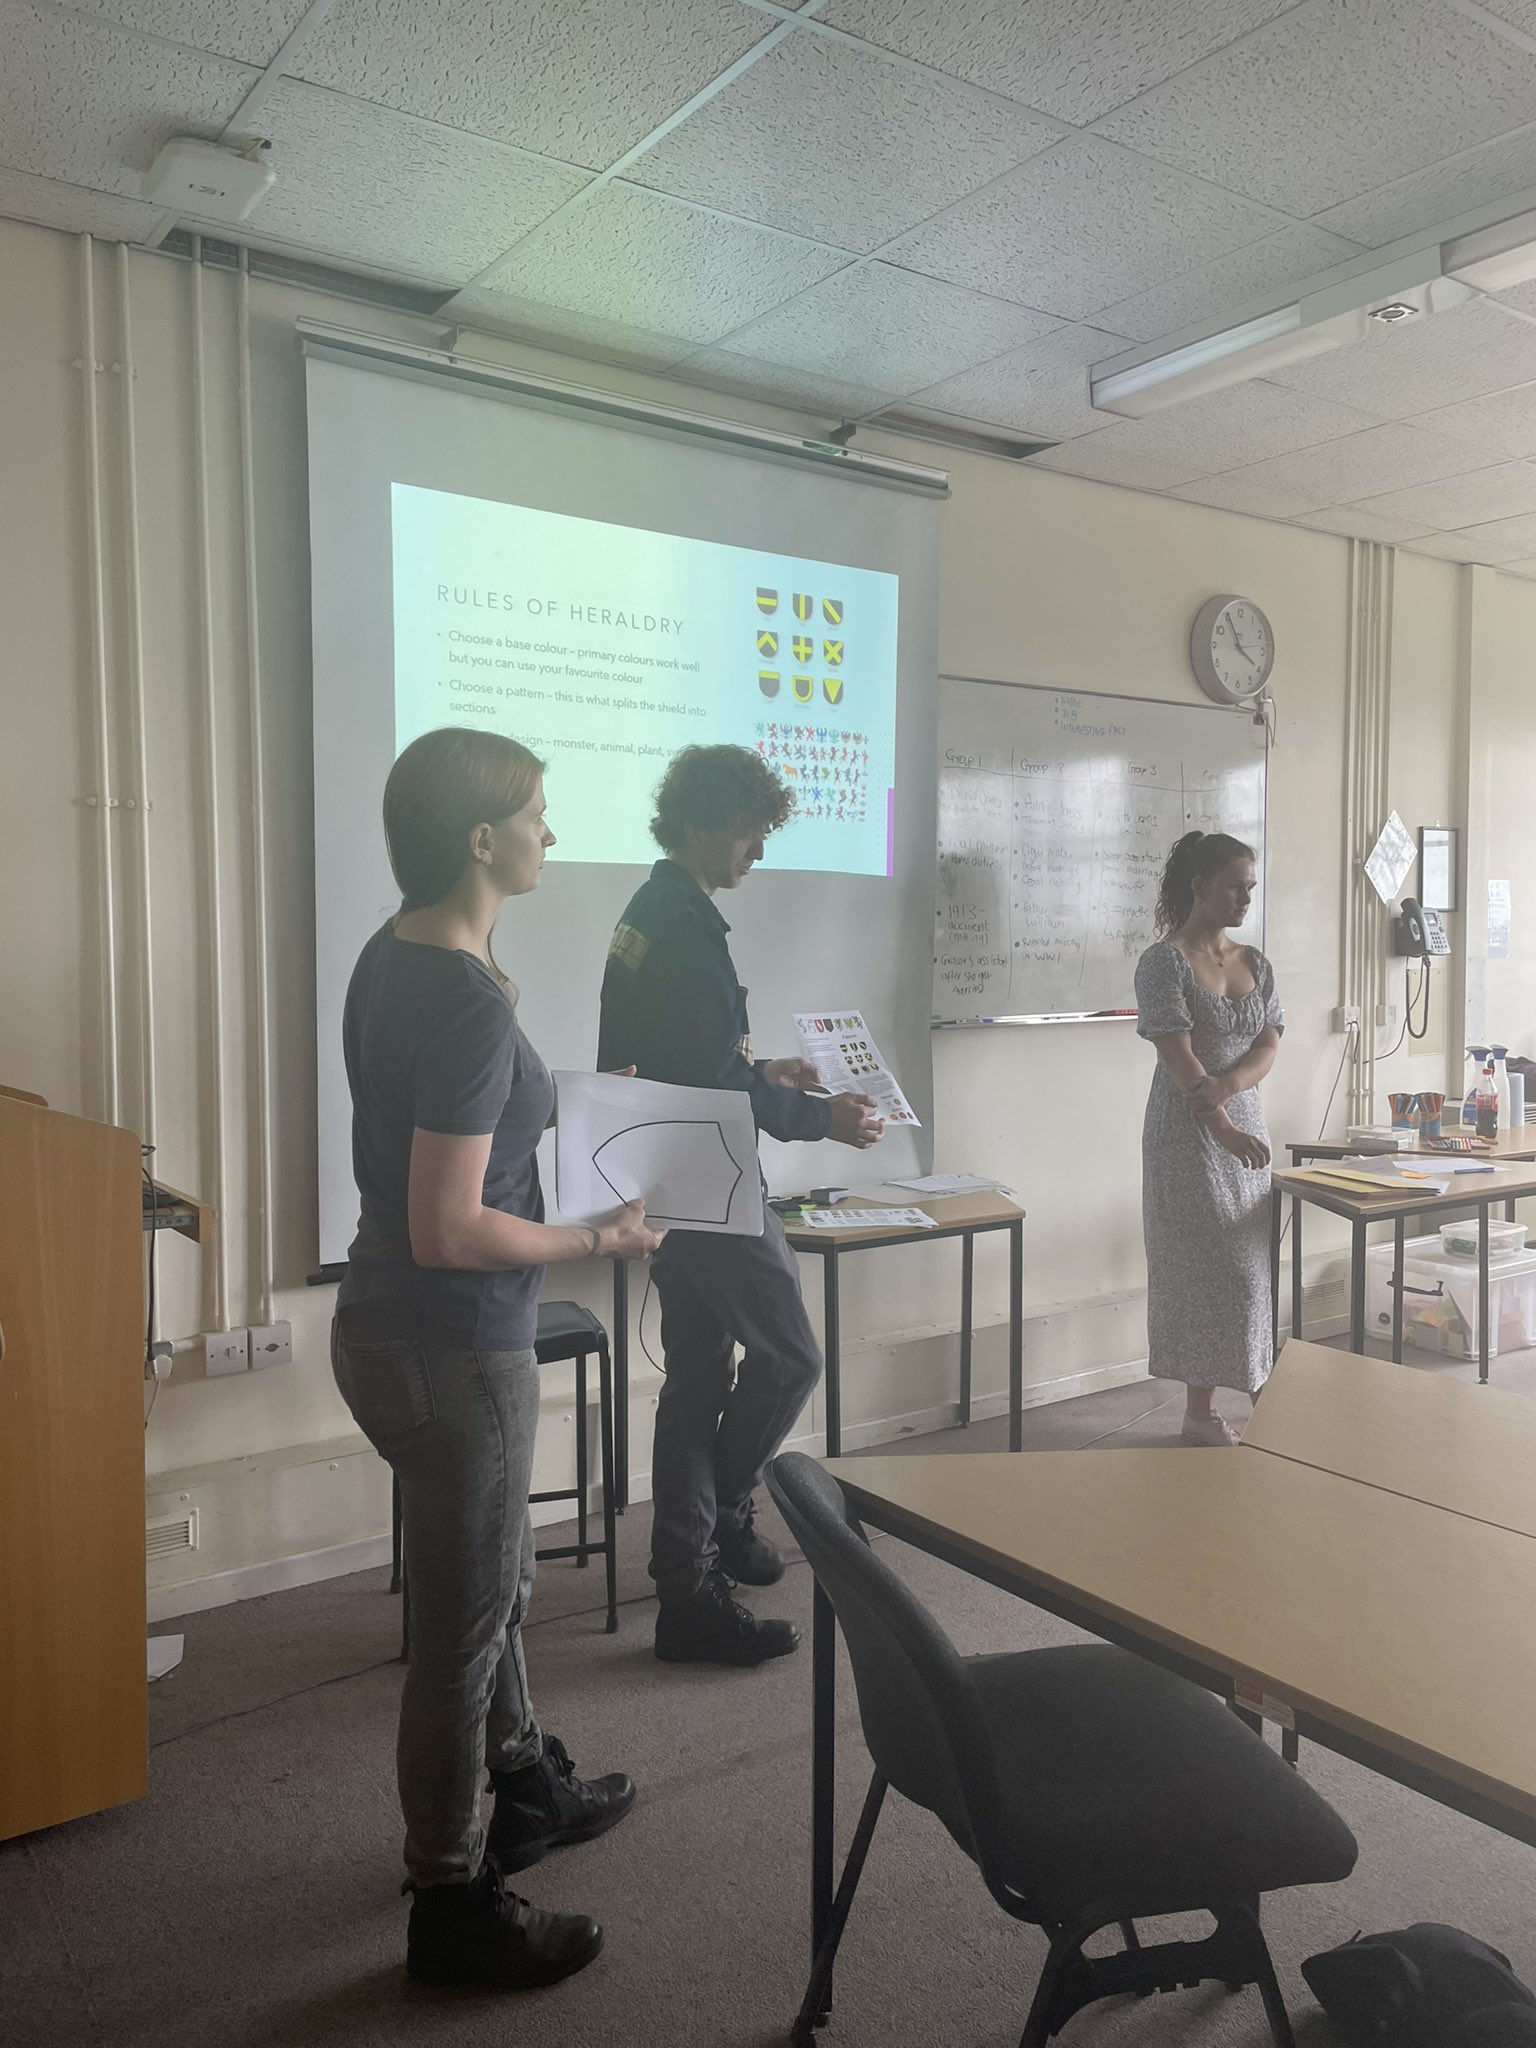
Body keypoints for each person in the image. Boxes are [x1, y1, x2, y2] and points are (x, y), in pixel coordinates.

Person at [332, 727, 664, 1990]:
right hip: (454, 1345)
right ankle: (450, 1899)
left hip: (391, 1334)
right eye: (536, 811)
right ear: (482, 838)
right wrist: (601, 1234)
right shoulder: (465, 997)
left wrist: (569, 1101)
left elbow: (463, 1131)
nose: (550, 832)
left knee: (494, 1583)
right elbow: (450, 1223)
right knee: (465, 1630)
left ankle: (522, 1784)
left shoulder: (404, 950)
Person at [597, 743, 884, 1665]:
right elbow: (705, 1087)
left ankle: (687, 1582)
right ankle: (717, 1522)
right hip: (707, 1177)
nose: (757, 849)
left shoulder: (659, 910)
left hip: (673, 1168)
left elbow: (697, 1062)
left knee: (693, 1379)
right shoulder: (679, 924)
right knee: (792, 1356)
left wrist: (762, 1069)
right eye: (748, 830)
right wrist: (816, 1116)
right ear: (700, 823)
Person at [1134, 831, 1283, 1446]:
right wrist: (1218, 1117)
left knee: (1250, 1267)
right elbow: (1178, 1056)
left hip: (1242, 1121)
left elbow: (1270, 1041)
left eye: (1250, 887)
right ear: (1200, 887)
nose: (1245, 898)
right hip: (1186, 1135)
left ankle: (1260, 1400)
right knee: (1205, 1269)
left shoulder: (1255, 961)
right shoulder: (1162, 961)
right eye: (1233, 887)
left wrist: (1231, 1090)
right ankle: (1205, 1411)